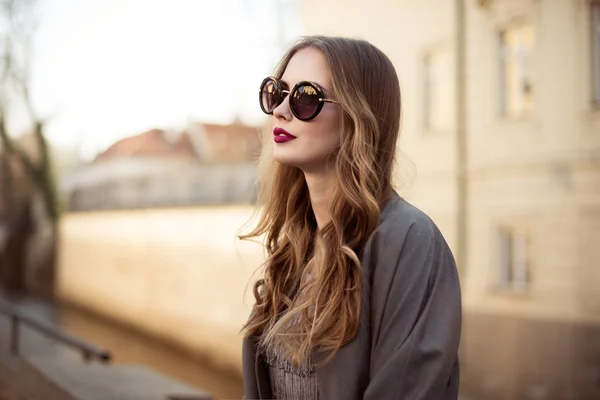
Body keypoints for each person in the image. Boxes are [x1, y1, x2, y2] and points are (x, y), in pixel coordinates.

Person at [239, 35, 461, 400]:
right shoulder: (296, 246)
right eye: (276, 92)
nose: (280, 110)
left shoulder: (411, 240)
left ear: (358, 117)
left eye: (305, 98)